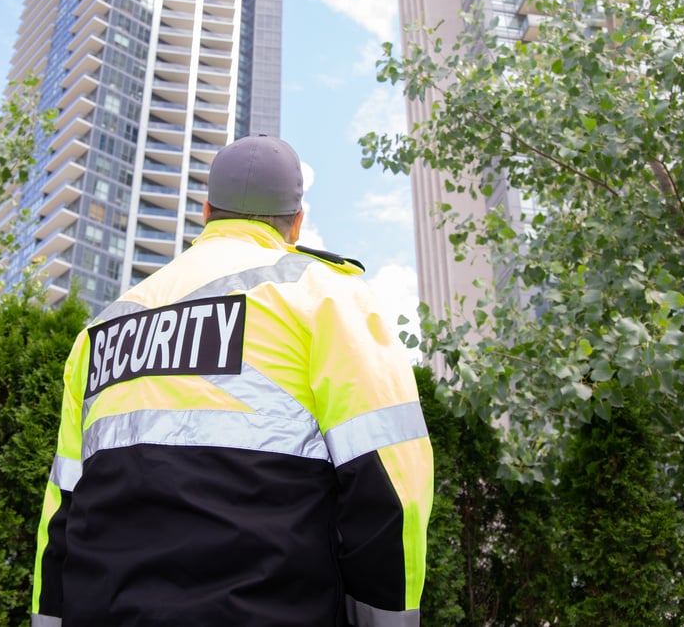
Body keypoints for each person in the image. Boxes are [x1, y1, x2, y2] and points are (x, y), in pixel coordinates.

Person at [31, 134, 434, 627]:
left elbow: (61, 512)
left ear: (206, 212)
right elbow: (390, 480)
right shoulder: (327, 299)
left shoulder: (98, 334)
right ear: (297, 223)